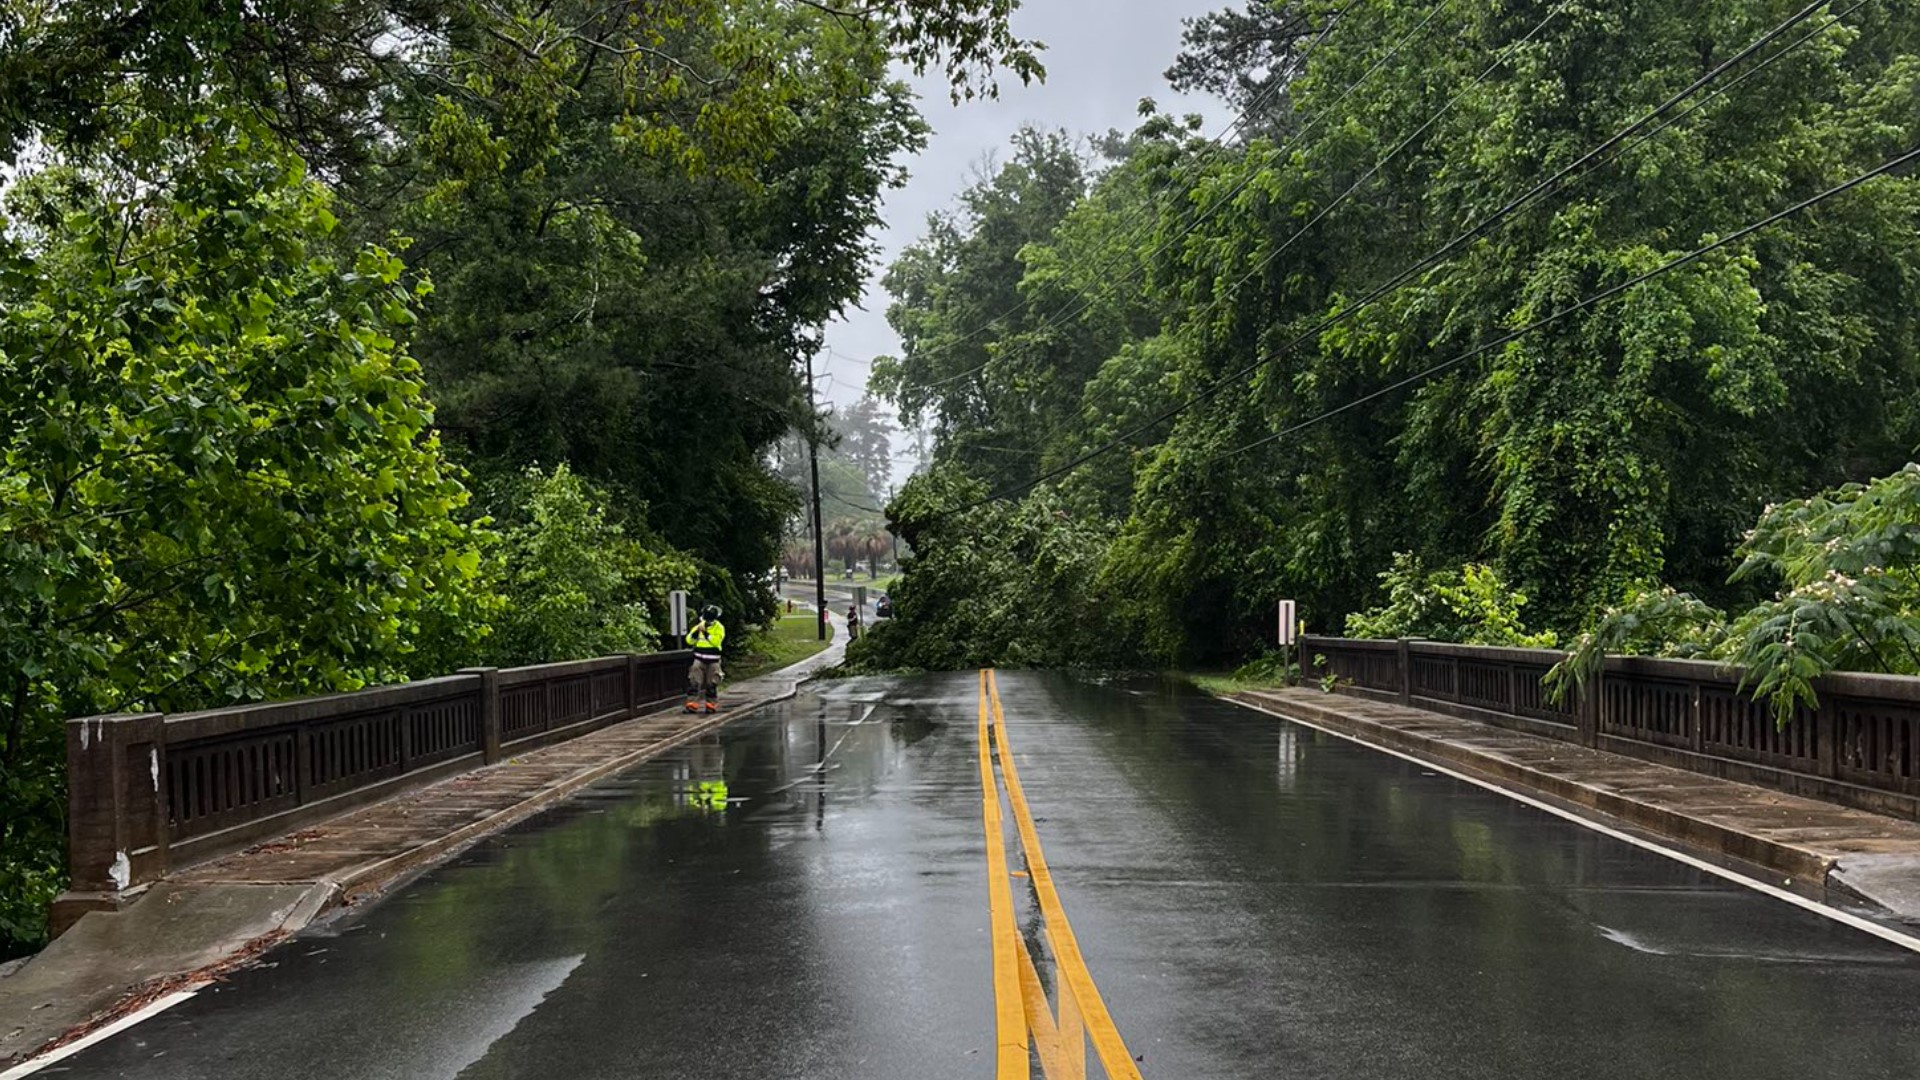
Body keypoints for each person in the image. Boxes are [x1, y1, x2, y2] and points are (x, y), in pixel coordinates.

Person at [685, 604, 726, 713]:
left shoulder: (719, 627)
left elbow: (716, 641)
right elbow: (689, 640)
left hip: (713, 660)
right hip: (699, 659)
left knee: (711, 684)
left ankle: (711, 705)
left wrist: (705, 632)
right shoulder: (699, 626)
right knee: (694, 682)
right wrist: (696, 632)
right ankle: (691, 705)